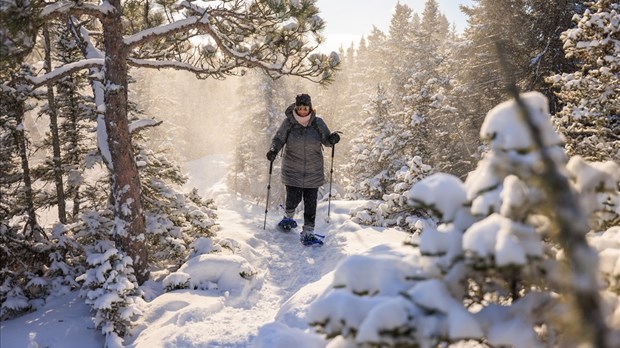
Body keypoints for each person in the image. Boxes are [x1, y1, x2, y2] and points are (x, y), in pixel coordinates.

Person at [266, 94, 340, 246]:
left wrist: (332, 139)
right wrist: (273, 149)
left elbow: (326, 141)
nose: (302, 111)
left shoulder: (318, 123)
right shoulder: (289, 123)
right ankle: (288, 217)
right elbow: (279, 139)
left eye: (305, 108)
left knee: (310, 203)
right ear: (296, 108)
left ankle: (308, 232)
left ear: (310, 108)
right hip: (292, 169)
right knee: (293, 198)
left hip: (313, 170)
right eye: (299, 108)